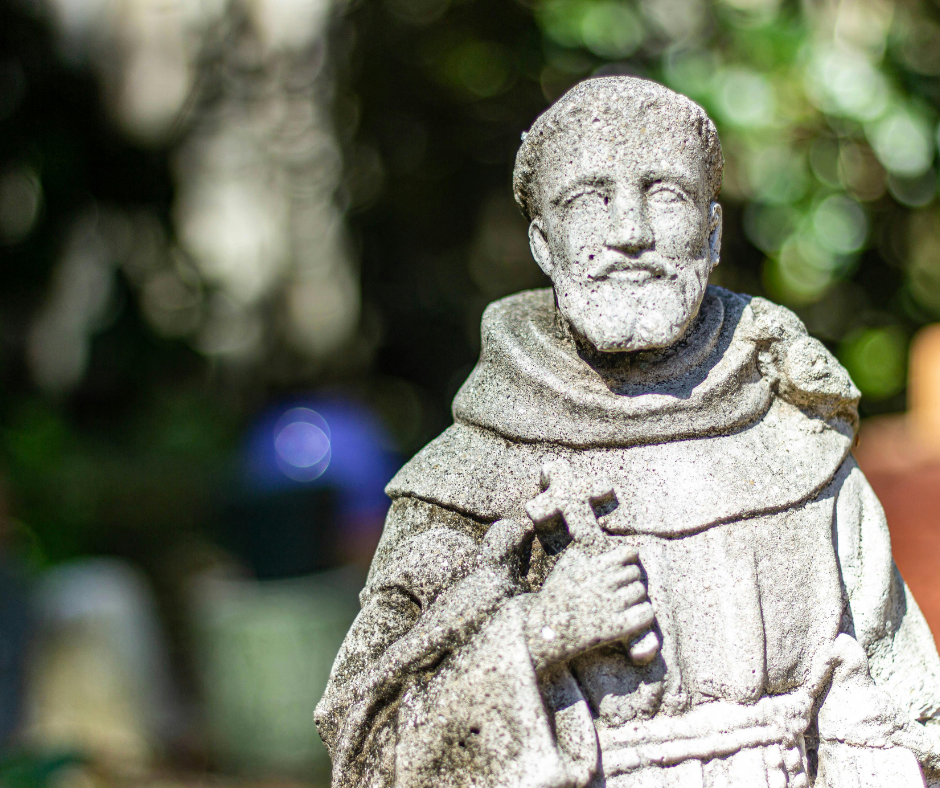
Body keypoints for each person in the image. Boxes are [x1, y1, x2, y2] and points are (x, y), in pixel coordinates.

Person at [315, 77, 940, 788]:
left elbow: (897, 708)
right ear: (543, 244)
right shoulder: (467, 483)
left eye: (665, 193)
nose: (629, 232)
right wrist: (540, 633)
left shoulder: (799, 446)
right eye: (589, 199)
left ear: (712, 232)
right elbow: (366, 752)